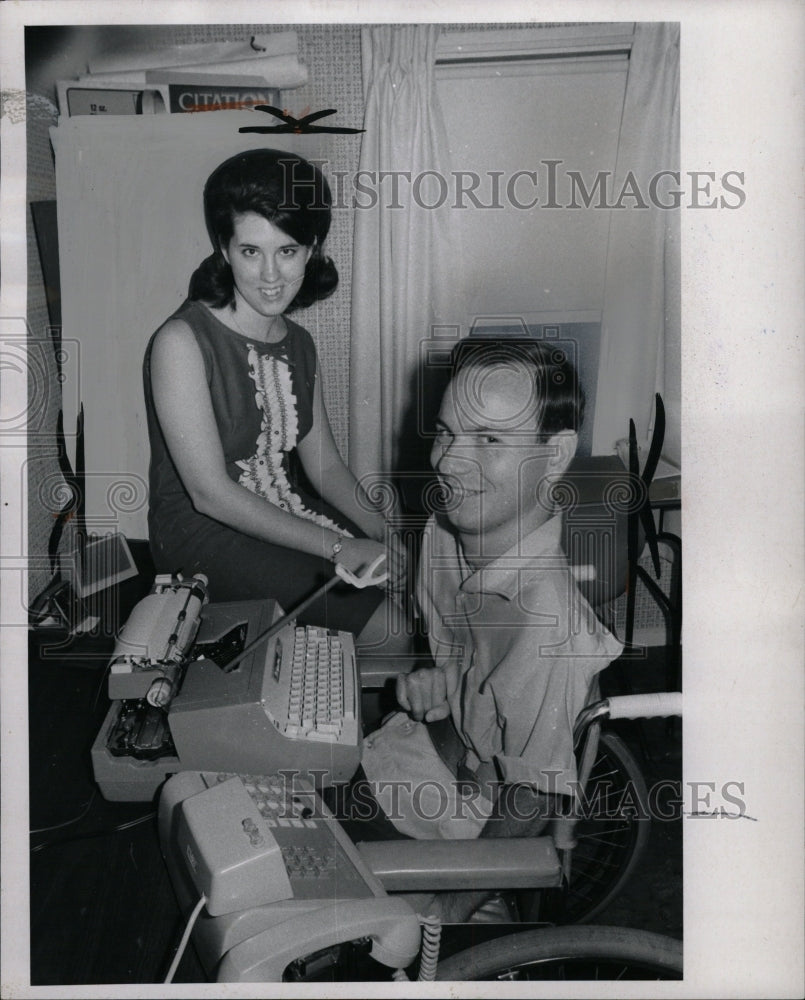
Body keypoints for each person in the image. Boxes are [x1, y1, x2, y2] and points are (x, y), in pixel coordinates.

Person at [344, 337, 624, 921]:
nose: (448, 461)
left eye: (490, 440)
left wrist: (445, 916)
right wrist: (437, 687)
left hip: (486, 835)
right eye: (446, 431)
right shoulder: (443, 534)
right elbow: (455, 660)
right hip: (440, 758)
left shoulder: (550, 627)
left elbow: (531, 806)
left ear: (554, 455)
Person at [143, 149, 405, 643]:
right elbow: (208, 494)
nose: (270, 275)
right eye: (250, 251)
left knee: (405, 588)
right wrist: (337, 547)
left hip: (282, 510)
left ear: (313, 248)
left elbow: (325, 467)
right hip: (202, 535)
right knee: (390, 630)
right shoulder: (179, 342)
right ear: (223, 249)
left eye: (287, 250)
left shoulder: (299, 344)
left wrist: (389, 532)